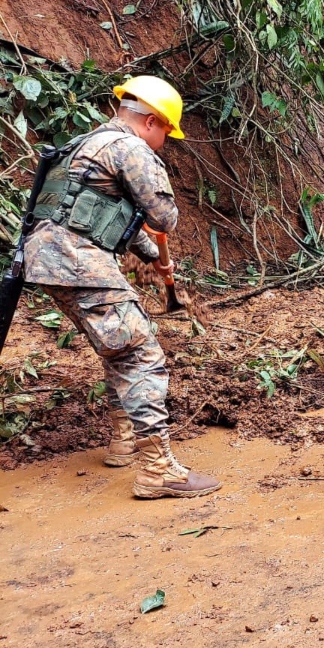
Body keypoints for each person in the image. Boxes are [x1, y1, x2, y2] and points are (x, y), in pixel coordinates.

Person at [23, 76, 221, 498]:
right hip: (78, 261)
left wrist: (153, 257)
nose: (165, 140)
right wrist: (158, 227)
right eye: (167, 132)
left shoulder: (86, 143)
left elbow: (98, 211)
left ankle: (123, 440)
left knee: (118, 345)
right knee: (139, 352)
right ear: (152, 121)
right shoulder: (131, 148)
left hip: (49, 258)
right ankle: (158, 470)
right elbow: (164, 216)